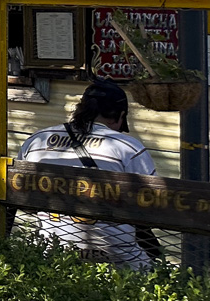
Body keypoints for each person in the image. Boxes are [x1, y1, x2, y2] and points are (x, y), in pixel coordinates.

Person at [14, 77, 160, 269]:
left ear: (80, 109)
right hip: (118, 259)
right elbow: (152, 208)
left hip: (52, 254)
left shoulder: (36, 141)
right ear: (119, 115)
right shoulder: (128, 148)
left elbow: (24, 200)